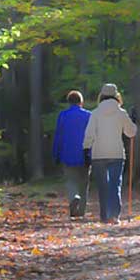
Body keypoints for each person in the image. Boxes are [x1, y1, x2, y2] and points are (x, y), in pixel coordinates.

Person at [83, 84, 137, 224]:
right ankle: (114, 215)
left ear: (101, 95)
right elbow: (131, 133)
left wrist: (86, 148)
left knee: (103, 186)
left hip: (98, 154)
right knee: (115, 184)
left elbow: (89, 134)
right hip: (116, 153)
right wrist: (134, 121)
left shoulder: (95, 113)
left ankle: (104, 216)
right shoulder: (121, 113)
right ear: (116, 95)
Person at [52, 90, 92, 218]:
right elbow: (92, 136)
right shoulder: (88, 115)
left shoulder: (63, 116)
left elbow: (58, 136)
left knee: (70, 180)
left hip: (67, 154)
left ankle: (74, 197)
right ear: (81, 102)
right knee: (84, 182)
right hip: (84, 154)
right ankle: (81, 211)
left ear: (69, 102)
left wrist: (56, 154)